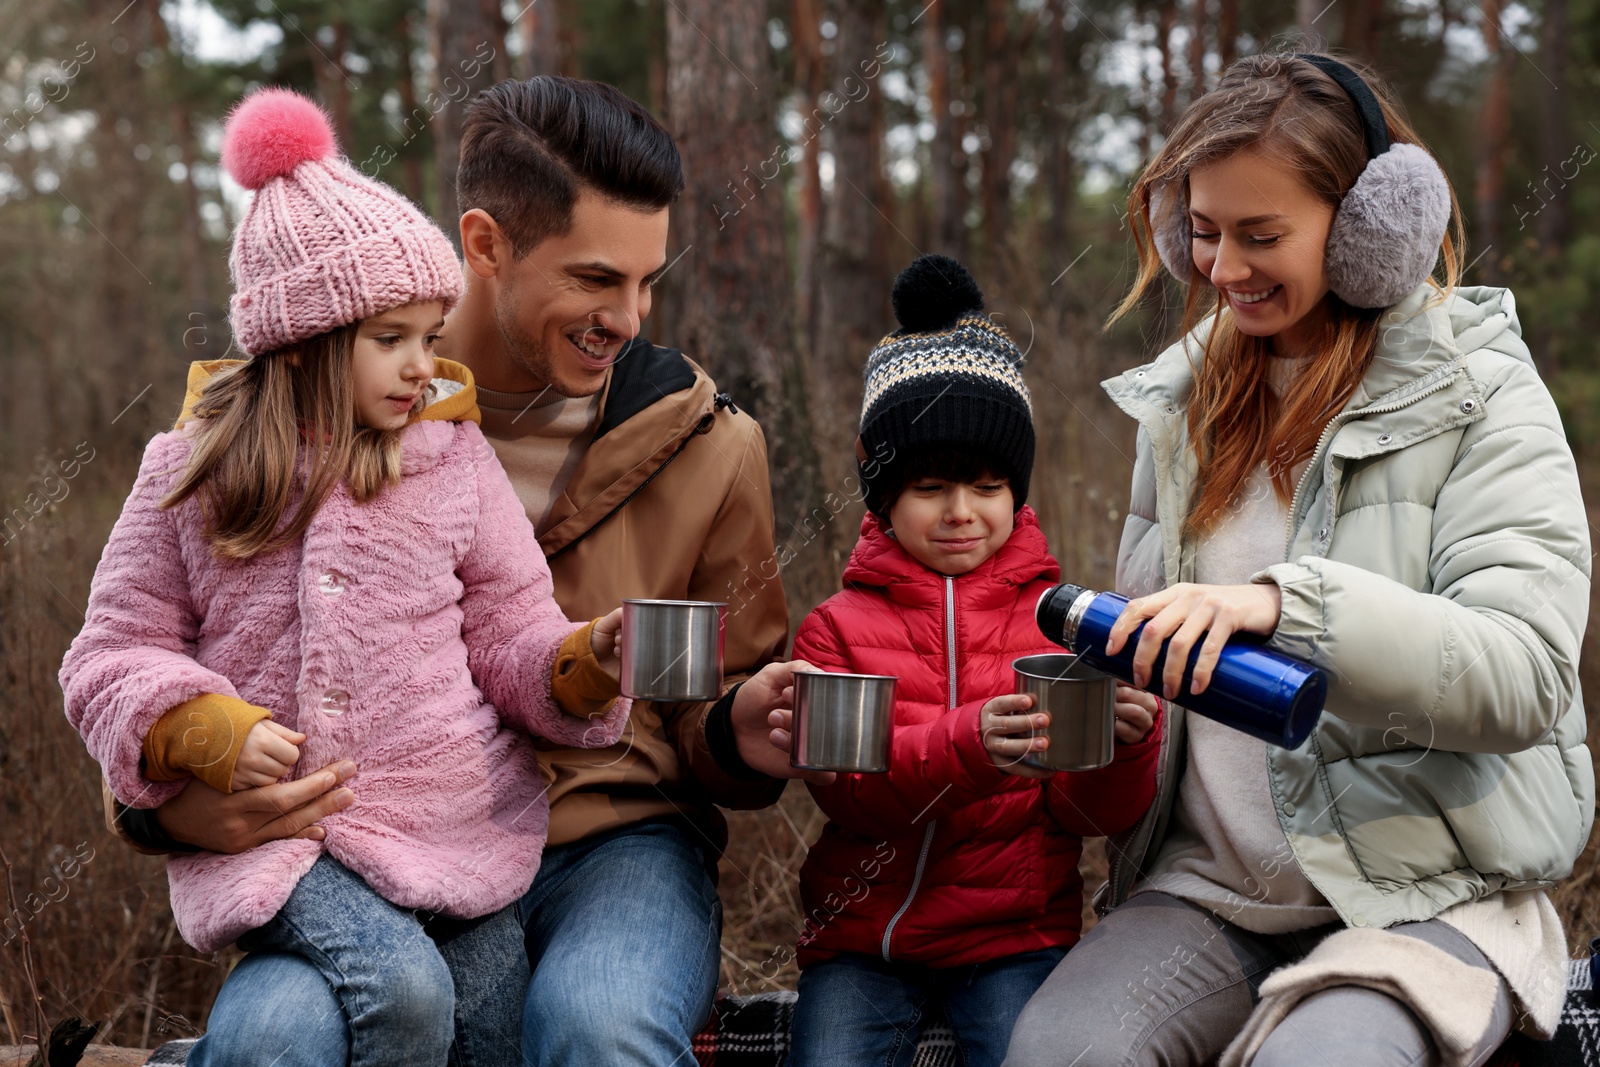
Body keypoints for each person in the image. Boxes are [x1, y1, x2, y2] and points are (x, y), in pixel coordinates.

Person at [102, 77, 819, 1066]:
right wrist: (173, 795)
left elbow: (703, 701)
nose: (631, 317)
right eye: (597, 278)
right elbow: (141, 651)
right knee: (279, 1031)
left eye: (648, 282)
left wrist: (740, 727)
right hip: (355, 838)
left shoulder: (711, 446)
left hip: (614, 841)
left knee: (595, 1025)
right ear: (484, 245)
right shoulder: (297, 437)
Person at [1002, 53, 1593, 1067]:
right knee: (1060, 1050)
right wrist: (1109, 714)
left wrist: (1287, 606)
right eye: (1202, 231)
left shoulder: (1480, 387)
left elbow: (1525, 674)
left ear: (1370, 227)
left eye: (1260, 234)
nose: (1223, 269)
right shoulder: (1179, 406)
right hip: (1211, 890)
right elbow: (1171, 662)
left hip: (1428, 893)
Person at [60, 89, 632, 1067]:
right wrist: (196, 724)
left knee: (492, 1036)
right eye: (391, 339)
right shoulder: (194, 472)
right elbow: (111, 648)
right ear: (308, 340)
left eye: (429, 332)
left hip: (454, 828)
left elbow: (508, 628)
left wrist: (579, 665)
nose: (424, 363)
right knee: (402, 996)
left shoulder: (450, 460)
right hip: (294, 847)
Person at [776, 256, 1163, 1067]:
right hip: (862, 941)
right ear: (884, 492)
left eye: (987, 484)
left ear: (1015, 491)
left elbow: (1085, 817)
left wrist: (1126, 747)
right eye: (930, 486)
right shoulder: (834, 631)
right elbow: (853, 793)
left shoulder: (1064, 624)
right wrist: (970, 743)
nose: (961, 512)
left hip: (1012, 940)